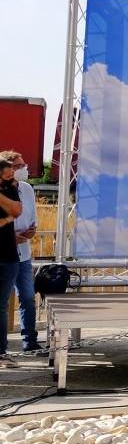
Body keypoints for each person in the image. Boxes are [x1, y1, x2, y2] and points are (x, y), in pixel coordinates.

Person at [0, 152, 39, 353]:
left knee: (28, 297)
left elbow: (32, 217)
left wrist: (32, 230)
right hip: (5, 253)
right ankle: (2, 349)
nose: (24, 168)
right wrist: (10, 237)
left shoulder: (27, 189)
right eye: (18, 165)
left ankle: (30, 341)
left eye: (24, 165)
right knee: (2, 303)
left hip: (22, 254)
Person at [0, 158, 26, 367]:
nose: (12, 176)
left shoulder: (10, 189)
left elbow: (17, 211)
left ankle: (1, 352)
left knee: (1, 306)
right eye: (8, 173)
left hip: (8, 257)